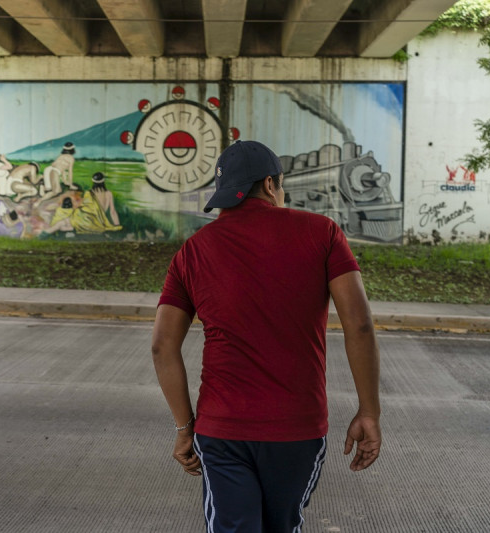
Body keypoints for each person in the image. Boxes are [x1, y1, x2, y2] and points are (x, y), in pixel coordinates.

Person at [151, 140, 381, 532]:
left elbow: (162, 346)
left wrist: (184, 427)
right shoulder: (322, 233)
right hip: (297, 429)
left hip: (221, 429)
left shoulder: (193, 251)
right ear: (271, 184)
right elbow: (359, 325)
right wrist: (369, 411)